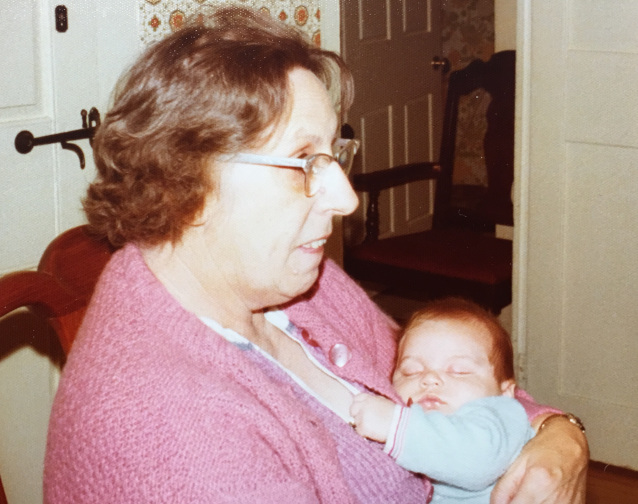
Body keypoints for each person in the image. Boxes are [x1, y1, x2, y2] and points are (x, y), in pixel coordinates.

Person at [43, 6, 588, 503]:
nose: (347, 198)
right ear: (185, 183)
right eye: (303, 161)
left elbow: (448, 368)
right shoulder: (169, 435)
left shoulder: (292, 281)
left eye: (334, 153)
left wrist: (557, 432)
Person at [350, 297, 539, 503]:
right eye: (411, 371)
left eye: (459, 371)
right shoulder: (412, 429)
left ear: (506, 392)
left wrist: (394, 425)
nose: (430, 379)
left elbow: (477, 460)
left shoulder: (503, 414)